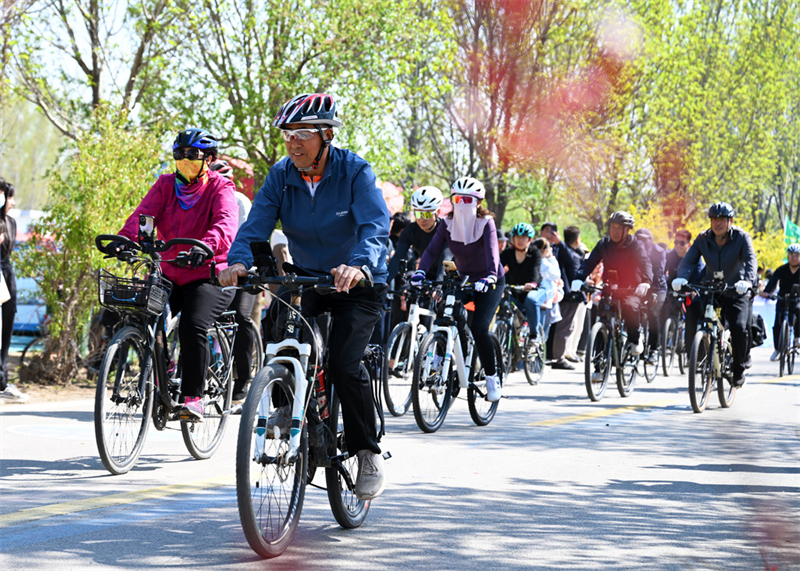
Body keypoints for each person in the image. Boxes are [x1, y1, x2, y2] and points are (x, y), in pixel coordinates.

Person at [219, 93, 390, 501]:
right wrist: (238, 261)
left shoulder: (355, 173)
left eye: (303, 134)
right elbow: (256, 223)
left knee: (344, 363)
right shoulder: (281, 175)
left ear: (327, 135)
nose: (293, 142)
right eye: (288, 135)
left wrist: (360, 265)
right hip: (311, 279)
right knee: (284, 341)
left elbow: (374, 227)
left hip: (359, 283)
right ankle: (286, 404)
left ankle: (367, 451)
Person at [111, 128, 238, 421]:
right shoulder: (165, 185)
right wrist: (125, 239)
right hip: (169, 269)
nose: (184, 160)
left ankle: (193, 397)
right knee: (145, 313)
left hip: (208, 273)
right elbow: (143, 216)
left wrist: (207, 246)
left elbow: (225, 223)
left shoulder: (221, 187)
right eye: (179, 155)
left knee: (192, 324)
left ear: (209, 158)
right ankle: (163, 367)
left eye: (192, 155)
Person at [410, 176, 505, 402]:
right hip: (464, 278)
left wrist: (490, 275)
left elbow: (493, 253)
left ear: (478, 202)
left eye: (467, 199)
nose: (462, 203)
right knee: (446, 312)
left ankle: (492, 377)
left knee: (480, 327)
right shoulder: (446, 223)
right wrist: (421, 271)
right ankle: (444, 357)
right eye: (457, 199)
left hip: (490, 281)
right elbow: (432, 250)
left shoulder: (486, 223)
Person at [672, 202, 757, 387]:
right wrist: (681, 278)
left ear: (730, 221)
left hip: (736, 290)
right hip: (712, 289)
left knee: (738, 326)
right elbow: (688, 261)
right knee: (693, 309)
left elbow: (751, 261)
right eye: (714, 219)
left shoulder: (742, 238)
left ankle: (738, 368)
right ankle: (695, 355)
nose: (718, 224)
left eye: (722, 220)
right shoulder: (703, 239)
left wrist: (747, 281)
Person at [571, 211, 653, 358]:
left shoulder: (635, 245)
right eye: (612, 227)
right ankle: (598, 365)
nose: (614, 231)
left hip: (631, 289)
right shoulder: (604, 244)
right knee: (602, 319)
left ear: (627, 230)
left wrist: (646, 282)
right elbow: (590, 263)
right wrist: (578, 278)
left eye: (618, 228)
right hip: (610, 288)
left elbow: (645, 263)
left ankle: (635, 339)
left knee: (630, 307)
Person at [210, 159, 258, 403]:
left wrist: (238, 264)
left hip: (245, 269)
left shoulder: (240, 201)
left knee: (241, 316)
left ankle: (243, 378)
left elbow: (246, 237)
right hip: (217, 269)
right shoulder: (205, 201)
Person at [0, 181, 28, 403]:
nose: (12, 202)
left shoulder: (10, 222)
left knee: (6, 330)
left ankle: (3, 381)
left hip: (6, 275)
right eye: (9, 197)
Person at [500, 222, 542, 340]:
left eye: (524, 237)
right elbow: (497, 269)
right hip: (515, 288)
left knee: (531, 300)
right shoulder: (507, 253)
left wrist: (532, 284)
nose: (520, 240)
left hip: (534, 288)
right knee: (503, 301)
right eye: (518, 237)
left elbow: (535, 270)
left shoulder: (535, 253)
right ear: (513, 238)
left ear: (530, 239)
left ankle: (534, 335)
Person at [550, 225, 584, 369]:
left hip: (566, 295)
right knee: (565, 327)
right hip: (570, 296)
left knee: (567, 326)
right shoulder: (571, 254)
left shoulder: (562, 250)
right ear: (577, 239)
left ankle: (559, 356)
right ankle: (559, 358)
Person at [760, 244, 800, 361]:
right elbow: (772, 282)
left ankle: (797, 337)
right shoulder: (781, 269)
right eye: (791, 255)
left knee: (799, 310)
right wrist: (767, 292)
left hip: (797, 300)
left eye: (797, 255)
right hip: (782, 299)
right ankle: (778, 348)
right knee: (778, 321)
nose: (794, 258)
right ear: (787, 255)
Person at [634, 228, 667, 364]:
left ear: (650, 240)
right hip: (639, 285)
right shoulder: (631, 250)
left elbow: (659, 273)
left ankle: (654, 350)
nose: (640, 242)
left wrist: (654, 291)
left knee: (653, 314)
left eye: (644, 239)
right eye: (638, 239)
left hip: (658, 287)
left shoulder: (658, 252)